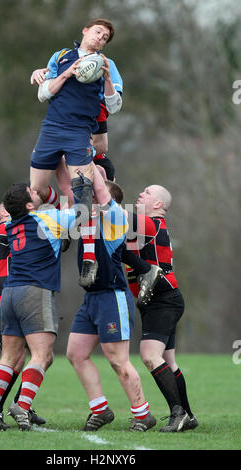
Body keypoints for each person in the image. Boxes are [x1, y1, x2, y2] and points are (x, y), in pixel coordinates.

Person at [0, 171, 96, 431]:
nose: (38, 191)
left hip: (9, 293)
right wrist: (83, 189)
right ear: (29, 205)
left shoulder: (10, 225)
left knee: (8, 357)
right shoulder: (46, 218)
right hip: (36, 291)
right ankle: (22, 406)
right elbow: (83, 214)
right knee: (42, 355)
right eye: (33, 193)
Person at [63, 165, 156, 432]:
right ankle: (100, 410)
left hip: (111, 296)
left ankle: (142, 414)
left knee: (117, 360)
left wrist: (88, 161)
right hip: (91, 299)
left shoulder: (115, 219)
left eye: (93, 198)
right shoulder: (86, 221)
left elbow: (102, 191)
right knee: (76, 354)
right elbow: (69, 190)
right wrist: (68, 161)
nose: (88, 201)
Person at [30, 18, 122, 285]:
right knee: (36, 190)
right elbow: (43, 92)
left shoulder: (108, 64)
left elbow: (114, 106)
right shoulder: (60, 56)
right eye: (97, 32)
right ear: (85, 30)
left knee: (83, 194)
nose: (100, 38)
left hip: (80, 132)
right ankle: (62, 222)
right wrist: (64, 72)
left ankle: (89, 259)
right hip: (51, 128)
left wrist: (105, 77)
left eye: (105, 37)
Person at [126, 185, 197, 432]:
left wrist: (95, 191)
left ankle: (178, 415)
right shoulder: (145, 226)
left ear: (158, 205)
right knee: (168, 360)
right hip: (163, 299)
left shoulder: (150, 224)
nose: (140, 194)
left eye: (147, 192)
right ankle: (187, 414)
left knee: (149, 355)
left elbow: (114, 216)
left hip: (163, 300)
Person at [0, 203, 45, 429]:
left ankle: (21, 405)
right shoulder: (4, 227)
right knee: (17, 358)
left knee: (36, 357)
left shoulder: (16, 228)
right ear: (3, 214)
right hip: (2, 300)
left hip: (18, 297)